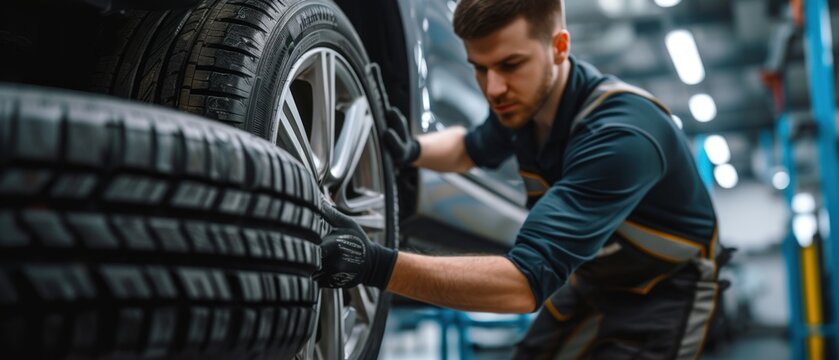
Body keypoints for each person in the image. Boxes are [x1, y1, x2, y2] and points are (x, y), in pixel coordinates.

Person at [316, 0, 720, 358]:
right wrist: (412, 150)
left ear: (559, 48)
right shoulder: (523, 107)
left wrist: (375, 265)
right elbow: (470, 148)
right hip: (592, 283)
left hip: (666, 293)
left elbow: (521, 284)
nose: (494, 89)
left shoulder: (623, 136)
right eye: (480, 68)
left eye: (510, 64)